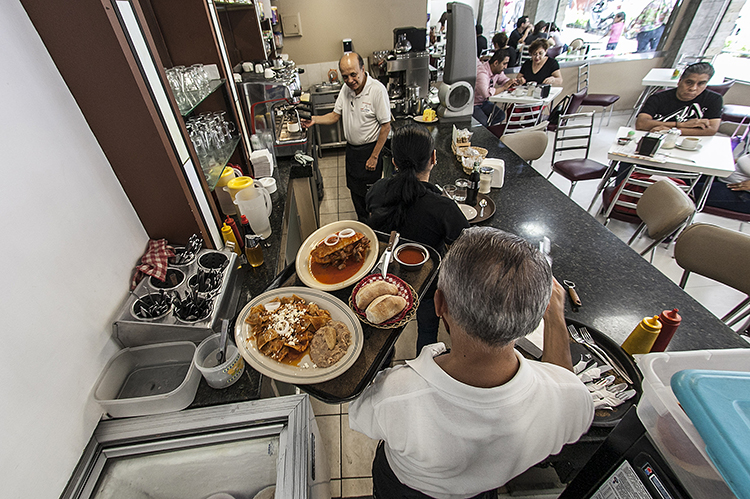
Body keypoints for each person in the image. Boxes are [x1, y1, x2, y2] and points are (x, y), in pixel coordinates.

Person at [349, 227, 594, 498]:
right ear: (536, 315)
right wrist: (556, 317)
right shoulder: (572, 397)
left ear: (440, 305)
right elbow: (562, 381)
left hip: (406, 490)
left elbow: (360, 418)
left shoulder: (396, 393)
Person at [366, 124, 469, 352]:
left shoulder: (377, 190)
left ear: (394, 161)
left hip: (388, 279)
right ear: (433, 158)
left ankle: (386, 362)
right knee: (428, 331)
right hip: (427, 285)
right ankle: (425, 361)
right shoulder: (444, 208)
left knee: (383, 329)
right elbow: (464, 252)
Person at [301, 53, 391, 221]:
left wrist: (374, 156)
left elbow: (386, 126)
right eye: (345, 76)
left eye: (353, 74)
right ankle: (362, 225)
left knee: (371, 198)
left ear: (363, 69)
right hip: (352, 152)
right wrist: (314, 119)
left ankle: (374, 229)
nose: (350, 80)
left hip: (369, 151)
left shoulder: (377, 90)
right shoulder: (346, 89)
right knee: (356, 194)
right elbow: (335, 116)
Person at [636, 62, 722, 136]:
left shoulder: (714, 99)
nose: (693, 88)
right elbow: (641, 124)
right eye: (689, 82)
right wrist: (682, 125)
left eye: (701, 84)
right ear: (679, 81)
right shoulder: (658, 98)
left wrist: (671, 131)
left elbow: (712, 130)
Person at [473, 49, 515, 127]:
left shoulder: (497, 71)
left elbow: (504, 80)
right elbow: (486, 94)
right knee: (484, 122)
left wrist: (512, 82)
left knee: (500, 116)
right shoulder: (482, 73)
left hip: (484, 102)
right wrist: (503, 88)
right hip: (473, 104)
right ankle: (485, 129)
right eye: (504, 64)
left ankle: (488, 130)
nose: (506, 67)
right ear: (496, 63)